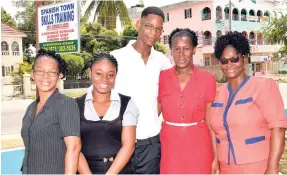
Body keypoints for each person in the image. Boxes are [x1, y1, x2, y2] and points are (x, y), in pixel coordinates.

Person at [210, 32, 287, 174]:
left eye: (234, 59)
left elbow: (279, 129)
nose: (229, 65)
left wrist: (272, 169)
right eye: (224, 60)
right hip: (226, 168)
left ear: (244, 58)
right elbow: (214, 132)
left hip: (258, 167)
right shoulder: (217, 94)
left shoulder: (263, 86)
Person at [109, 6, 172, 174]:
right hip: (119, 141)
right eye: (149, 26)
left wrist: (151, 116)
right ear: (138, 24)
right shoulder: (116, 57)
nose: (153, 32)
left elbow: (167, 95)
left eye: (158, 29)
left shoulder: (162, 61)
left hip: (150, 144)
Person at [157, 28, 218, 174]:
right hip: (169, 147)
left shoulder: (207, 78)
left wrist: (216, 157)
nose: (181, 54)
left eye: (186, 49)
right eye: (176, 49)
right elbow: (153, 113)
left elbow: (211, 122)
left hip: (200, 146)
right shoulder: (162, 77)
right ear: (171, 50)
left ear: (194, 50)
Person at [21, 49, 81, 174]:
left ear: (59, 76)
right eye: (40, 71)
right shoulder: (31, 107)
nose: (45, 76)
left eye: (52, 72)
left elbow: (74, 148)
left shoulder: (66, 104)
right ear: (33, 74)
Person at [76, 53, 138, 174]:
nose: (104, 79)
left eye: (110, 75)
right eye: (98, 73)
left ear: (116, 76)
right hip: (85, 170)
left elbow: (128, 146)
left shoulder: (127, 104)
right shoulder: (75, 105)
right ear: (90, 73)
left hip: (119, 170)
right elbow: (74, 147)